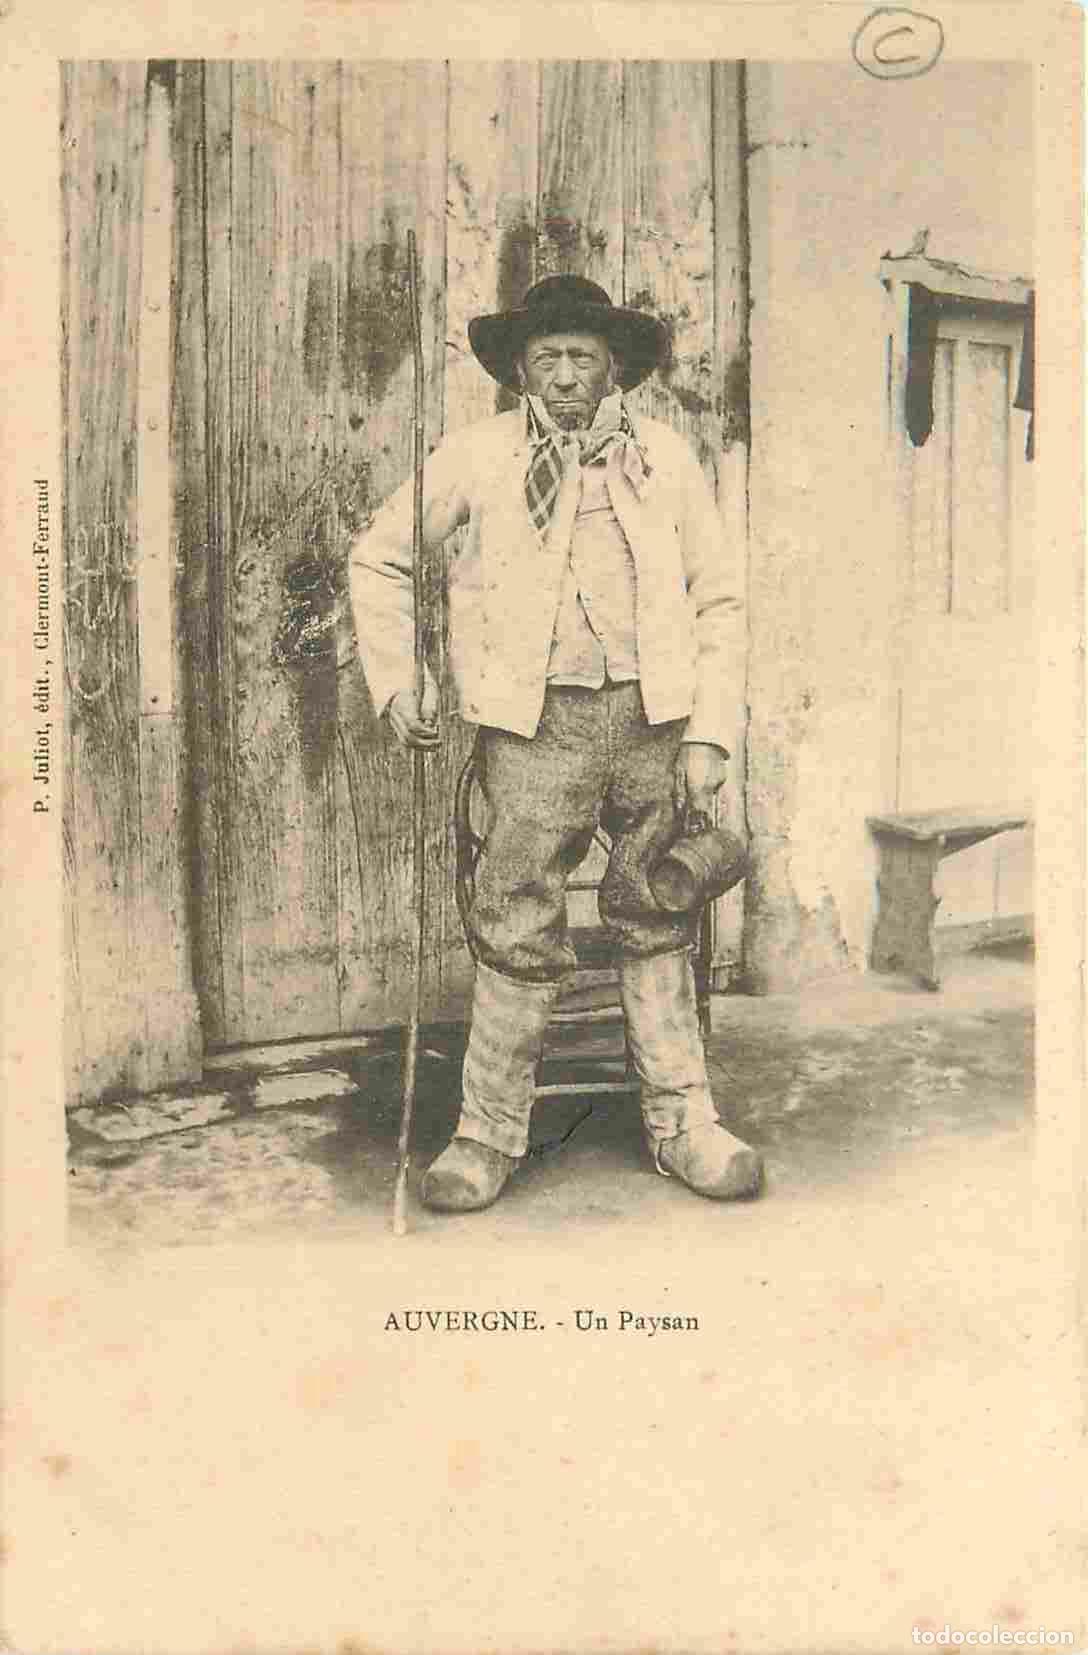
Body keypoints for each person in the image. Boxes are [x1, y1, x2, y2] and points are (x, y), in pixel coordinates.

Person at [349, 274, 763, 1213]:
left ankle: (683, 1123)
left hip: (653, 724)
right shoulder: (479, 456)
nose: (567, 377)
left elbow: (720, 599)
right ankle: (486, 1134)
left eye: (583, 357)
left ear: (614, 363)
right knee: (516, 912)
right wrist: (396, 685)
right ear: (521, 370)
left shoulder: (664, 458)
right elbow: (379, 554)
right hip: (532, 730)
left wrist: (708, 734)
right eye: (548, 359)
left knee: (659, 902)